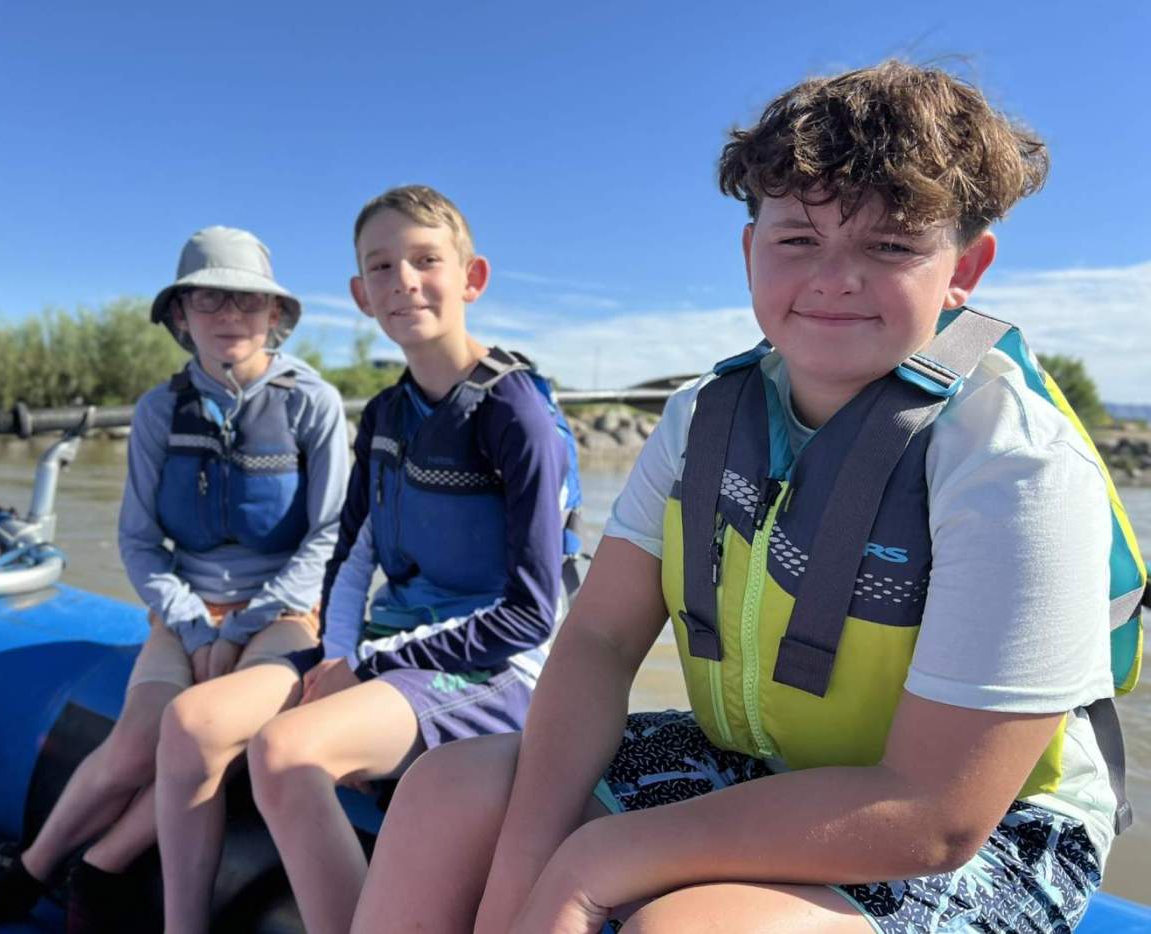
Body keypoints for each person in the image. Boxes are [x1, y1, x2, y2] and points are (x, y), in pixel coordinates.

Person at [353, 62, 1146, 934]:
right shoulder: (701, 418)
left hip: (987, 828)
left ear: (968, 267)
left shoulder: (1013, 466)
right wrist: (518, 868)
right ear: (748, 251)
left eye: (891, 245)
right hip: (760, 760)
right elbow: (604, 639)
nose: (835, 277)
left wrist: (593, 860)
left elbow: (939, 814)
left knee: (687, 927)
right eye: (798, 240)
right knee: (447, 791)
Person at [155, 184, 576, 934]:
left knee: (286, 754)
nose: (403, 281)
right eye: (381, 267)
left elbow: (534, 612)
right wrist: (343, 652)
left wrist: (368, 668)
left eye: (425, 260)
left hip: (498, 670)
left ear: (472, 277)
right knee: (197, 723)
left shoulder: (516, 415)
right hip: (386, 645)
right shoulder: (385, 413)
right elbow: (352, 556)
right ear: (359, 293)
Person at [0, 226, 348, 933]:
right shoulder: (158, 410)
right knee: (132, 744)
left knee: (198, 731)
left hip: (284, 615)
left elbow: (329, 533)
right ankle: (29, 879)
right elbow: (139, 540)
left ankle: (103, 871)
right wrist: (187, 621)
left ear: (276, 316)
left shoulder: (314, 404)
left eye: (248, 302)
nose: (230, 317)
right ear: (180, 317)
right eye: (209, 300)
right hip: (185, 609)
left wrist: (240, 627)